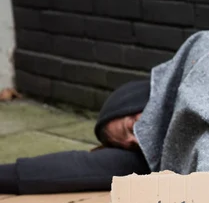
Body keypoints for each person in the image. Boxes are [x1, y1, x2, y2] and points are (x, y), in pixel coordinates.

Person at [0, 80, 151, 195]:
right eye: (132, 147)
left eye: (133, 127)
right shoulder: (147, 159)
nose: (139, 141)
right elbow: (82, 167)